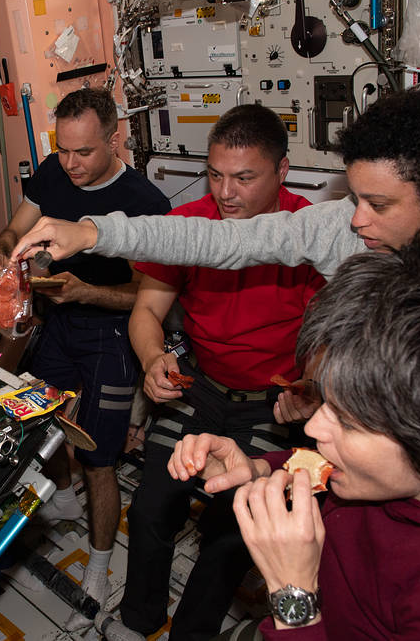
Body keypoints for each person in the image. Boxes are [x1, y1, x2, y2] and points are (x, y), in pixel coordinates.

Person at [168, 240, 420, 639]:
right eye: (324, 401)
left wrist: (292, 590)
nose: (312, 429)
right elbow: (328, 468)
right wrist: (260, 468)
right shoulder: (418, 459)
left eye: (347, 421)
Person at [10, 66, 420, 310]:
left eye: (378, 205)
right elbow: (220, 242)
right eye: (356, 199)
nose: (356, 220)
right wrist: (91, 231)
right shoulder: (339, 226)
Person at [121, 105, 325, 641]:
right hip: (201, 385)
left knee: (235, 532)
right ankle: (138, 621)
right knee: (149, 507)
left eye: (243, 177)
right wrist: (152, 360)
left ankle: (193, 634)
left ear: (281, 173)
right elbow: (146, 311)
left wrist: (312, 386)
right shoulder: (189, 226)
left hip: (271, 401)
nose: (225, 192)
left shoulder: (312, 234)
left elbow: (331, 338)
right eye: (215, 174)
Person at [0, 88, 171, 629]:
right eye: (62, 150)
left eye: (83, 152)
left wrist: (86, 293)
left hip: (113, 332)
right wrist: (2, 247)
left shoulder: (145, 203)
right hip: (56, 323)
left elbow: (152, 298)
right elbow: (15, 226)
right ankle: (64, 501)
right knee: (46, 421)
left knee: (99, 456)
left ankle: (100, 564)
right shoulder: (52, 171)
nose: (70, 165)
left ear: (113, 140)